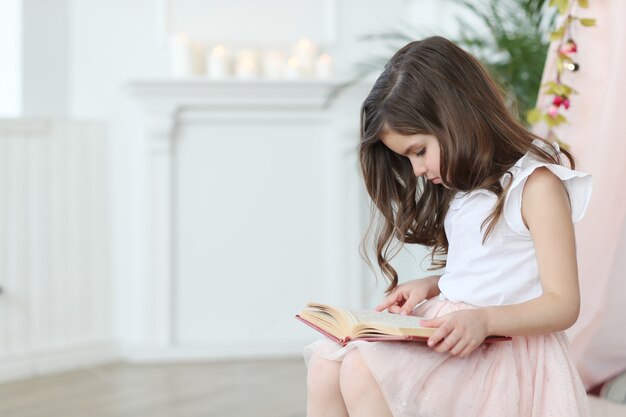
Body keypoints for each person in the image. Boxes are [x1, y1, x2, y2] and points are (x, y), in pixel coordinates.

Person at [303, 36, 593, 417]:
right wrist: (432, 284)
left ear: (457, 117)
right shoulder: (464, 186)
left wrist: (484, 319)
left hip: (501, 344)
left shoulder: (536, 187)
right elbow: (493, 268)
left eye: (419, 152)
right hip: (458, 328)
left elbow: (563, 303)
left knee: (362, 369)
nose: (418, 170)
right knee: (326, 365)